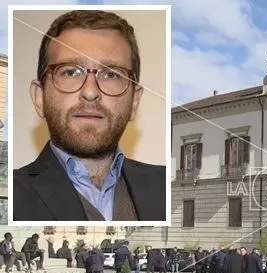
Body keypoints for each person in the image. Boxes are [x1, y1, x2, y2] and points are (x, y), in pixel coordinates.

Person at [13, 10, 165, 221]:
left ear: (134, 102)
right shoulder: (13, 197)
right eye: (70, 72)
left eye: (111, 74)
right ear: (39, 98)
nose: (91, 92)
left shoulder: (165, 187)